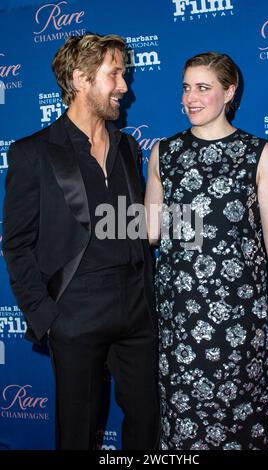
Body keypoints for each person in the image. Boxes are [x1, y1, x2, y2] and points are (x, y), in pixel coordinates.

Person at [3, 33, 159, 450]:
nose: (124, 87)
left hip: (137, 307)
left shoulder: (127, 146)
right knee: (78, 430)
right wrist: (47, 316)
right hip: (76, 310)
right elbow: (16, 244)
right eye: (115, 75)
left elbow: (134, 224)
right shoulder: (32, 153)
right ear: (80, 79)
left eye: (123, 74)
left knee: (148, 422)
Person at [145, 52, 268, 450]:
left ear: (229, 92)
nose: (190, 98)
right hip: (178, 318)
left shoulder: (258, 155)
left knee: (241, 423)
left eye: (203, 87)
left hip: (240, 320)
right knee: (182, 430)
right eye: (186, 87)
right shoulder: (165, 153)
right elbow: (150, 232)